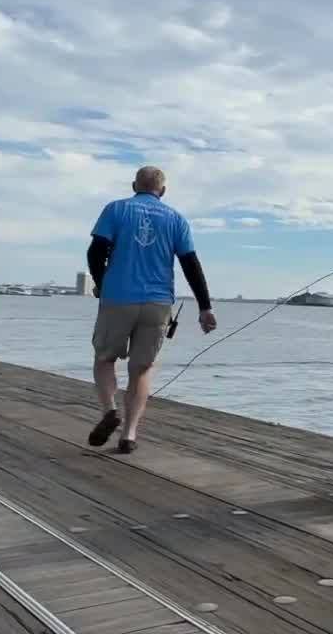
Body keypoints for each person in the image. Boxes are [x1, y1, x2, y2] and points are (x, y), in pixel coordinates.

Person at [85, 166, 217, 454]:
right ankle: (129, 435)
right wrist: (205, 307)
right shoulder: (176, 219)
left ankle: (110, 411)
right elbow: (190, 264)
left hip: (118, 298)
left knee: (105, 358)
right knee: (142, 369)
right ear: (163, 191)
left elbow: (95, 251)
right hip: (158, 303)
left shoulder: (116, 209)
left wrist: (101, 283)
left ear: (134, 185)